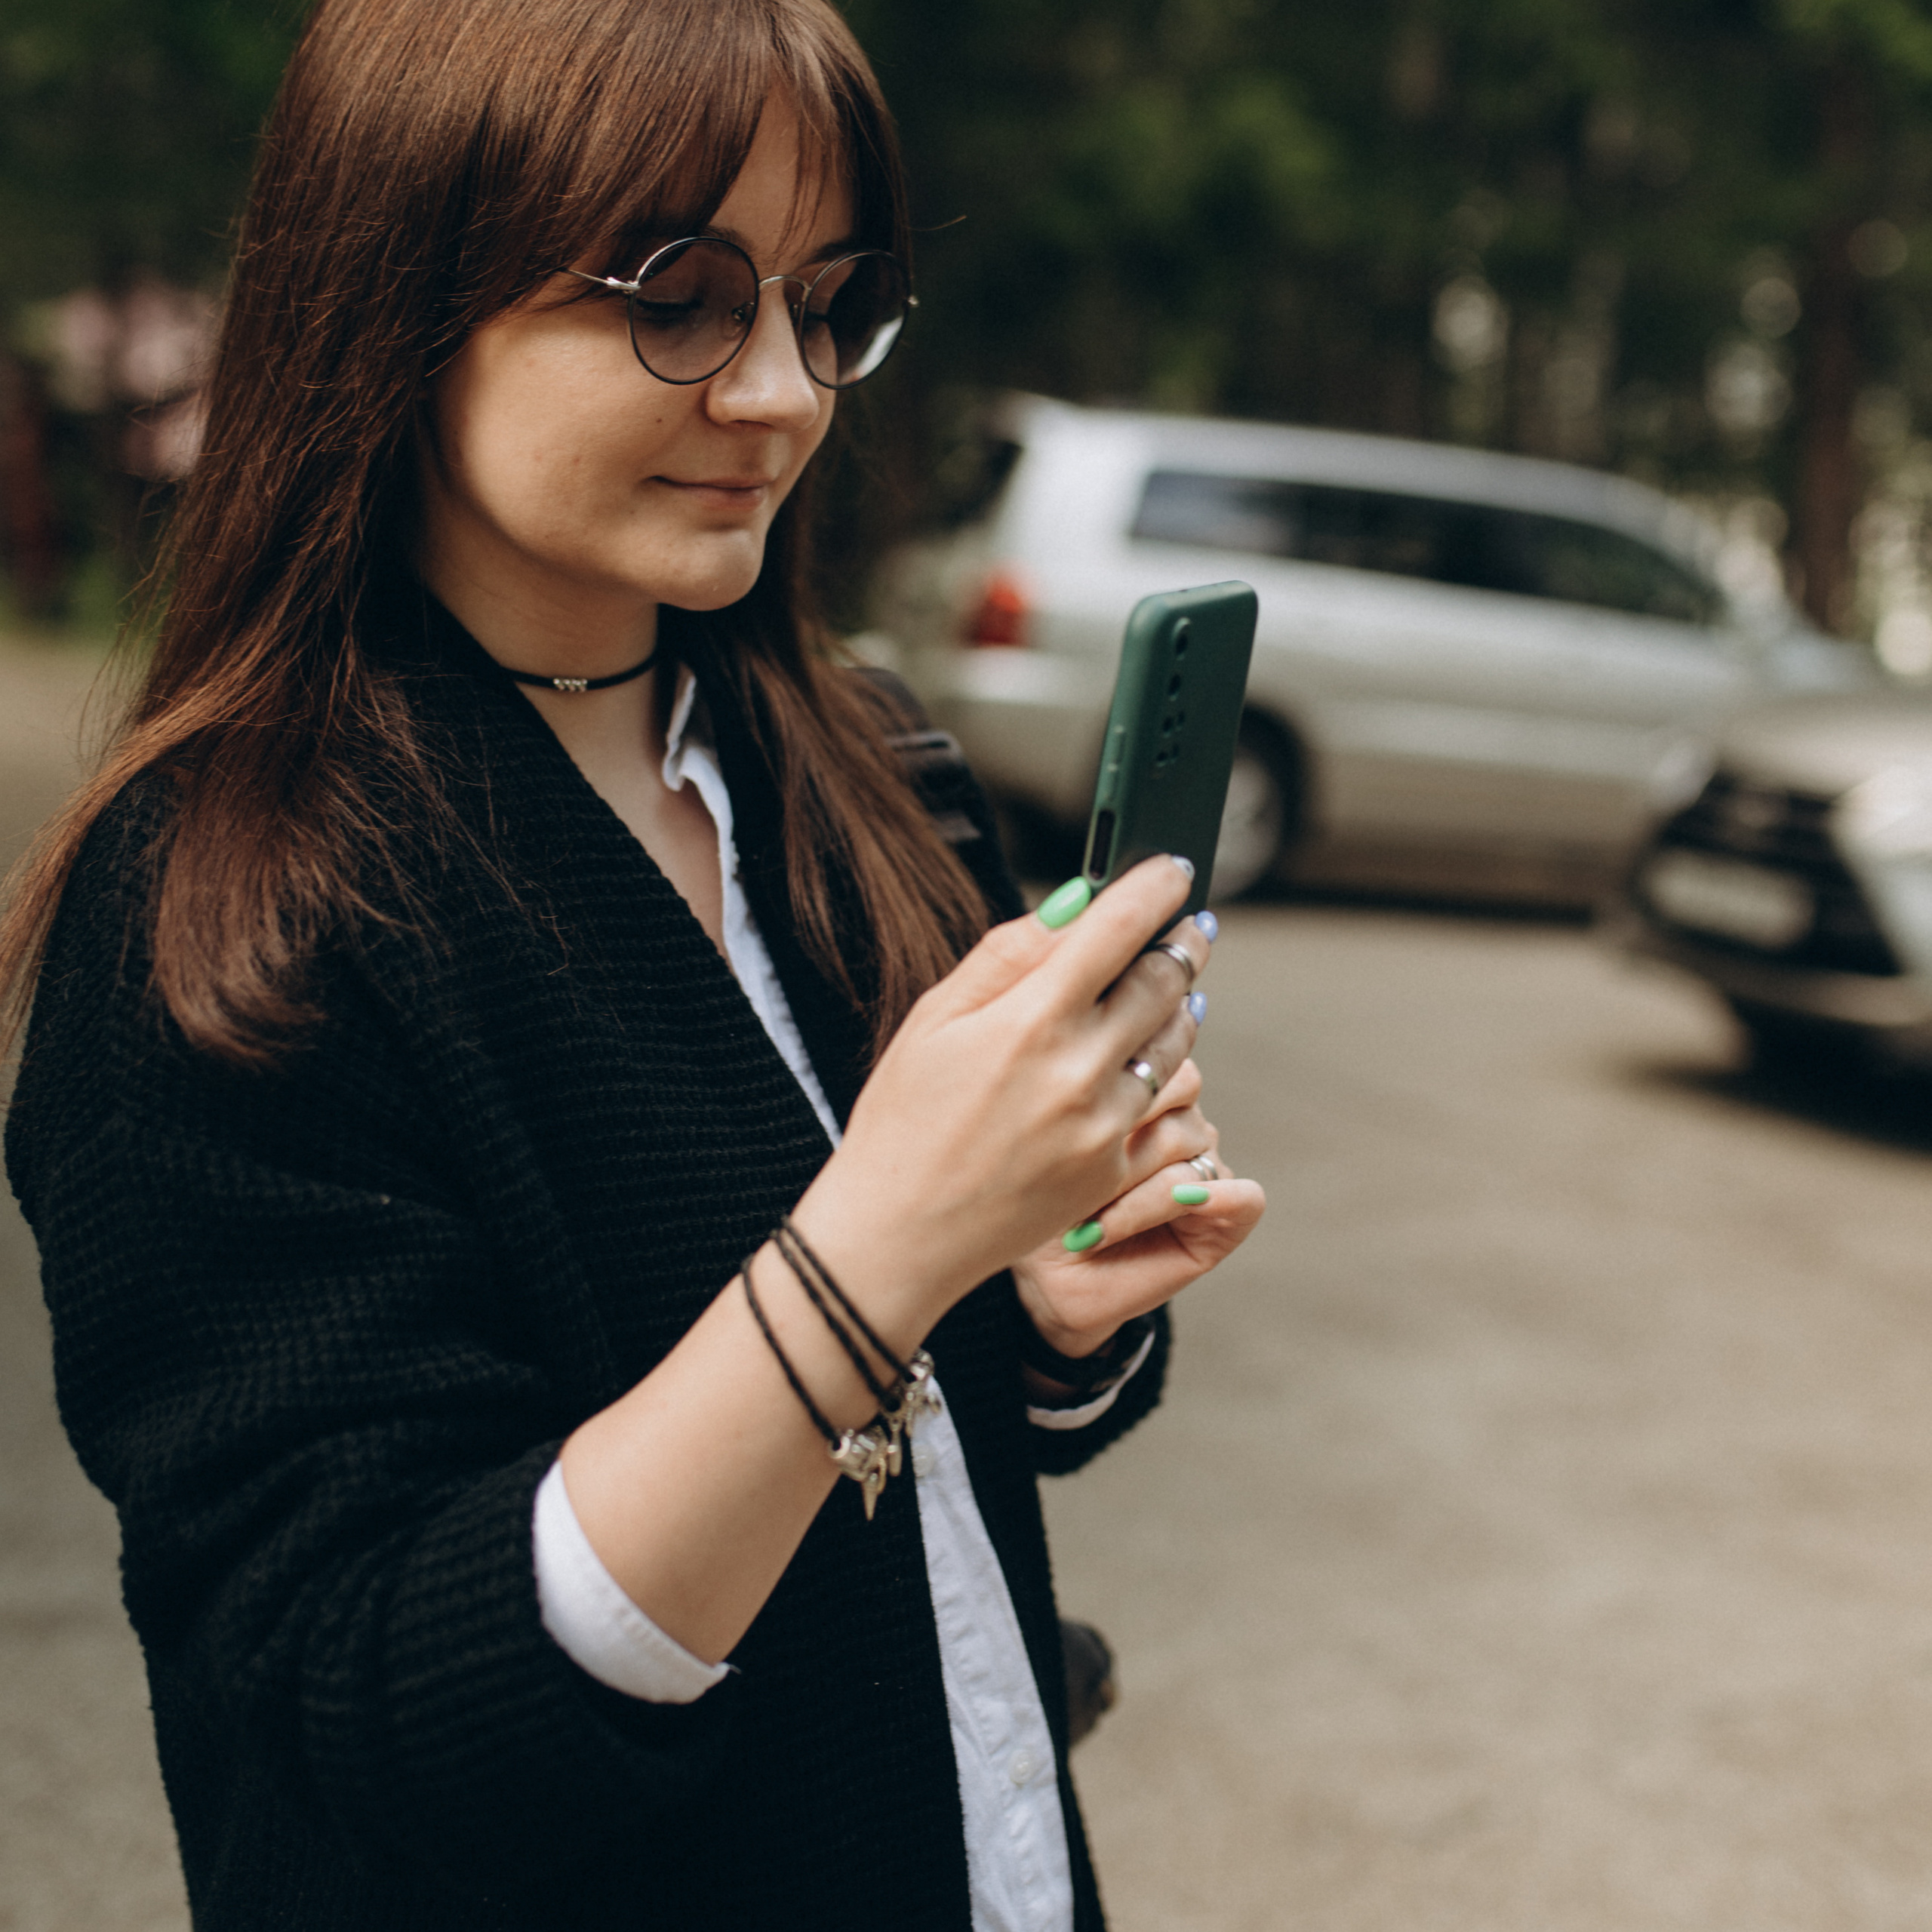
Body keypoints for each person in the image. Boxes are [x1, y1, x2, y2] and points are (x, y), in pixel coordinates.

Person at [0, 2, 1266, 1927]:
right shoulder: (221, 907)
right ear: (398, 294)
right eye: (678, 298)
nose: (779, 392)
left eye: (829, 304)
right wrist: (879, 1245)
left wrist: (1048, 1307)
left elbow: (940, 1454)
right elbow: (379, 1722)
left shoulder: (872, 769)